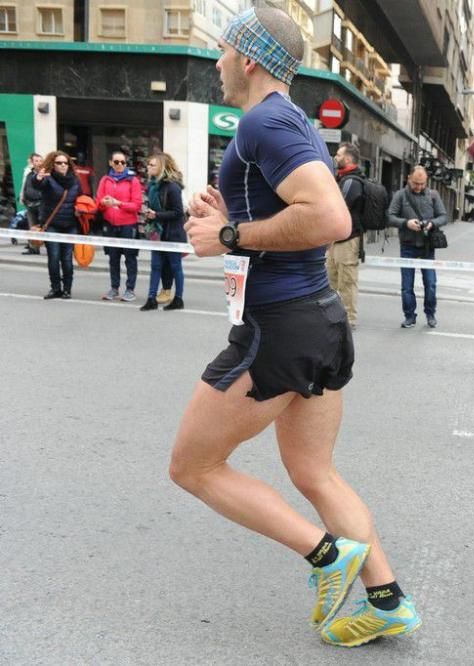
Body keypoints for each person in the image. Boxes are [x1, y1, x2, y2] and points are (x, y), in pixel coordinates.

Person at [172, 6, 420, 649]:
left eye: (224, 51)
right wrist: (233, 214)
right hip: (319, 319)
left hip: (280, 327)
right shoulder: (292, 122)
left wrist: (227, 233)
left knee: (193, 466)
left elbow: (330, 217)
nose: (218, 62)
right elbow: (292, 214)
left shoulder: (263, 121)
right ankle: (387, 600)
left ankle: (324, 555)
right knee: (316, 473)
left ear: (249, 58)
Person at [387, 166, 448, 328]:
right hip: (407, 246)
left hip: (428, 247)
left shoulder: (433, 195)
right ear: (408, 178)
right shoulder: (400, 195)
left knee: (431, 283)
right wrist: (405, 223)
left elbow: (443, 216)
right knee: (407, 286)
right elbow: (390, 216)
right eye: (416, 183)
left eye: (422, 183)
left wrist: (432, 224)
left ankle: (430, 314)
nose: (419, 187)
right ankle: (409, 316)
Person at [139, 153, 186, 311]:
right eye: (149, 164)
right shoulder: (151, 186)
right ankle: (151, 298)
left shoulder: (172, 186)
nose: (149, 167)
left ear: (162, 167)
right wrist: (148, 213)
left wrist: (157, 215)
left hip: (172, 234)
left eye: (152, 165)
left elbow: (179, 212)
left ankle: (178, 299)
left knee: (175, 267)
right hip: (157, 232)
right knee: (155, 266)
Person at [326, 142, 365, 328]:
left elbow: (338, 207)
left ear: (348, 159)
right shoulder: (342, 178)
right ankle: (332, 316)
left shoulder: (352, 182)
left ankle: (349, 319)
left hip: (348, 240)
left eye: (339, 155)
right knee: (331, 280)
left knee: (347, 282)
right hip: (335, 239)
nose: (336, 157)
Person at [97, 151, 144, 302]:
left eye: (123, 162)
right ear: (111, 162)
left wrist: (118, 203)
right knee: (113, 258)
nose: (120, 165)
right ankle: (114, 288)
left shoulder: (133, 180)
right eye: (116, 162)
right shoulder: (105, 180)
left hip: (128, 225)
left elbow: (137, 205)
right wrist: (104, 203)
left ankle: (130, 289)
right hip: (110, 224)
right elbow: (98, 202)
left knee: (130, 258)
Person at [35, 151, 81, 299]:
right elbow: (37, 185)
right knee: (53, 257)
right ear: (53, 165)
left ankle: (67, 289)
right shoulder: (48, 179)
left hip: (70, 224)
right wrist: (38, 178)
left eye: (65, 163)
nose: (62, 165)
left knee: (67, 259)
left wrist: (81, 209)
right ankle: (55, 288)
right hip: (52, 224)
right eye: (59, 163)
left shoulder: (75, 180)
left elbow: (82, 197)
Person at [20, 153, 43, 255]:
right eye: (36, 161)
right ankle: (33, 248)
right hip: (30, 205)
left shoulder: (45, 174)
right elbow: (25, 187)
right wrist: (23, 198)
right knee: (32, 226)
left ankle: (52, 247)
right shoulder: (29, 174)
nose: (38, 163)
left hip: (41, 205)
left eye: (40, 161)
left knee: (45, 226)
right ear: (32, 163)